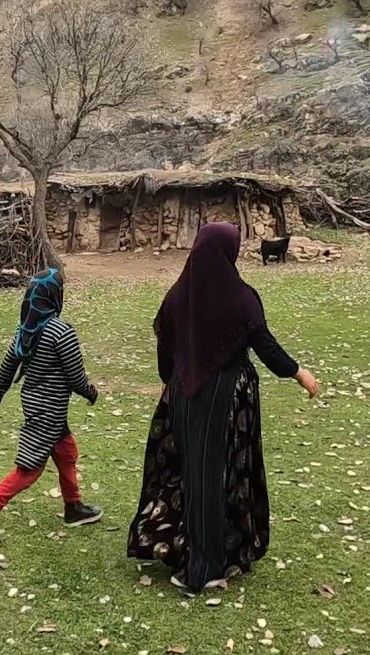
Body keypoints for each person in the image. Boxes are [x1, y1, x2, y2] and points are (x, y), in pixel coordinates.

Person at [127, 223, 319, 594]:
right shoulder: (241, 297)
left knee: (191, 473)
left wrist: (173, 381)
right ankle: (205, 566)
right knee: (215, 476)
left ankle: (192, 551)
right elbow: (264, 343)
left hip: (183, 394)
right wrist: (298, 373)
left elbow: (165, 348)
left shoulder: (177, 295)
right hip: (226, 399)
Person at [0, 268, 104, 548]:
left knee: (66, 452)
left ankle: (73, 507)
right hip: (49, 412)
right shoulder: (61, 332)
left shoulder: (25, 329)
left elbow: (7, 367)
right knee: (30, 468)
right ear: (55, 295)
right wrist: (91, 392)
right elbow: (76, 378)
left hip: (36, 406)